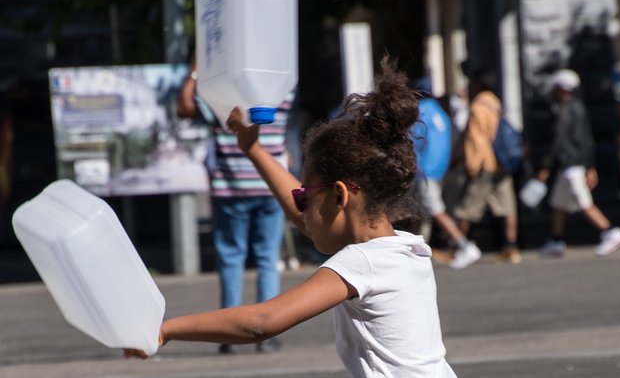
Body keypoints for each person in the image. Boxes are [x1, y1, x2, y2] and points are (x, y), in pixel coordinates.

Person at [126, 57, 459, 377]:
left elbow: (262, 322)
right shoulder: (404, 249)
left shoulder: (363, 262)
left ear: (340, 195)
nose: (301, 210)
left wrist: (166, 330)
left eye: (306, 197)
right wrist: (254, 150)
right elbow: (308, 218)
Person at [176, 57, 293, 354]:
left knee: (231, 258)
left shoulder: (221, 96)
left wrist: (196, 67)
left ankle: (229, 333)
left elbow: (184, 106)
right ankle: (267, 332)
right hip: (271, 185)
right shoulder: (281, 89)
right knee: (267, 258)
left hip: (231, 188)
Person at [537, 69, 620, 258]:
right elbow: (586, 139)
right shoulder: (575, 106)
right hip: (572, 163)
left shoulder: (567, 109)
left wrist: (546, 165)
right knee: (559, 203)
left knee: (583, 202)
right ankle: (556, 240)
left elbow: (561, 139)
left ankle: (610, 231)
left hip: (572, 162)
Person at [452, 73, 522, 264]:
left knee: (467, 207)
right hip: (502, 163)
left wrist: (472, 167)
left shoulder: (477, 107)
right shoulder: (495, 103)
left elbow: (475, 140)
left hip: (485, 163)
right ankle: (511, 247)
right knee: (507, 207)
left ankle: (457, 247)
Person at [411, 77, 480, 269]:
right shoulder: (440, 111)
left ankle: (464, 245)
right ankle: (417, 253)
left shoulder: (420, 111)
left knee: (436, 210)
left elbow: (413, 140)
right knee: (422, 211)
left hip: (424, 169)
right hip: (440, 168)